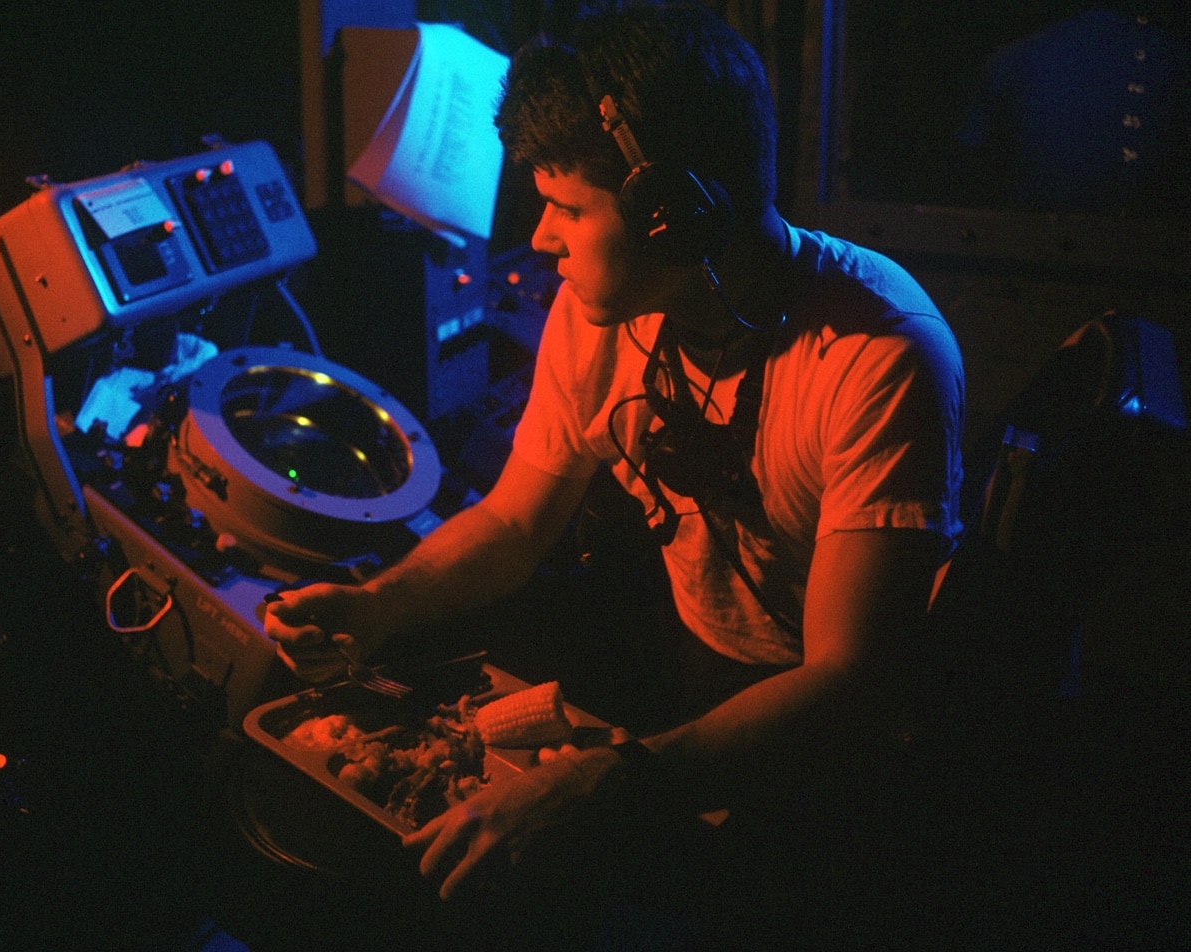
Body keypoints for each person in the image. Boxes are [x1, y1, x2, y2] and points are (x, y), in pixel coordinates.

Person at [262, 0, 964, 930]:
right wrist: (375, 605)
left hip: (832, 743)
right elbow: (516, 525)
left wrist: (612, 782)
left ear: (667, 217)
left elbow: (847, 676)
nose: (541, 237)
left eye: (564, 207)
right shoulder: (598, 318)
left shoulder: (880, 352)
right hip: (700, 670)